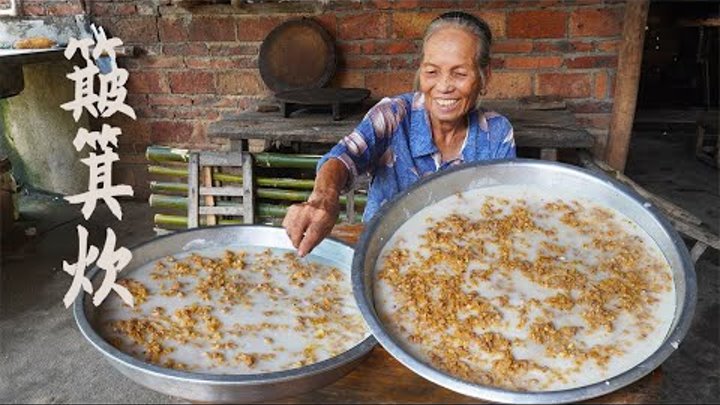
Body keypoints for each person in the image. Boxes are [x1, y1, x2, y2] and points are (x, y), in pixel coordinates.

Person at [283, 11, 516, 256]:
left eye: (459, 74)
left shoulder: (496, 133)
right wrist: (323, 198)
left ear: (484, 76)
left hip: (463, 260)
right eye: (432, 72)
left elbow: (501, 212)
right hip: (383, 254)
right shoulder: (394, 115)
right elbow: (344, 155)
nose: (444, 86)